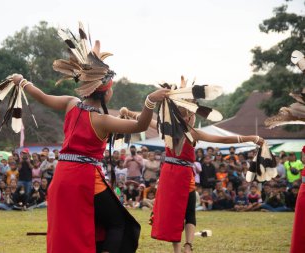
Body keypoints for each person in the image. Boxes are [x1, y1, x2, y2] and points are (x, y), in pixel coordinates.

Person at [15, 31, 169, 251]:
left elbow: (41, 96)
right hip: (83, 179)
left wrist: (23, 82)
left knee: (82, 228)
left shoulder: (71, 103)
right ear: (106, 93)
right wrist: (149, 101)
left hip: (62, 178)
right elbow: (141, 126)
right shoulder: (102, 120)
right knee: (121, 225)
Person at [122, 105, 264, 253]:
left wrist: (129, 112)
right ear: (189, 117)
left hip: (168, 175)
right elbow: (223, 139)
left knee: (173, 213)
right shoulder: (192, 133)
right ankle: (188, 246)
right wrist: (250, 138)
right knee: (189, 212)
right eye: (194, 115)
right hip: (183, 175)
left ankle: (177, 250)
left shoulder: (165, 128)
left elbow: (145, 120)